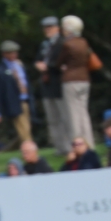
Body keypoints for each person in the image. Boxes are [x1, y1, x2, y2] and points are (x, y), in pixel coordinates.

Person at [54, 16, 95, 149]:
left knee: (73, 115)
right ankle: (89, 143)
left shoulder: (67, 44)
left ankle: (77, 145)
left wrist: (62, 66)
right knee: (83, 113)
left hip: (70, 81)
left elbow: (59, 62)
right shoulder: (84, 42)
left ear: (69, 30)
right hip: (85, 80)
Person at [35, 16, 68, 153]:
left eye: (50, 27)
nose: (47, 30)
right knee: (52, 119)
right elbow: (38, 59)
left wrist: (47, 66)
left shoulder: (62, 42)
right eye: (46, 28)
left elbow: (62, 63)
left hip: (58, 83)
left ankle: (67, 146)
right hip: (47, 84)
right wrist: (38, 65)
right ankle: (58, 146)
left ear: (57, 28)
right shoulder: (44, 44)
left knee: (64, 117)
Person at [0, 41, 34, 148]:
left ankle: (27, 147)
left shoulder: (19, 65)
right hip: (14, 102)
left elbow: (26, 82)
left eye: (15, 52)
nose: (14, 55)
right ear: (4, 54)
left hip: (25, 100)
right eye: (11, 53)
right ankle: (30, 148)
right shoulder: (0, 70)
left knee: (27, 127)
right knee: (23, 127)